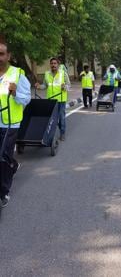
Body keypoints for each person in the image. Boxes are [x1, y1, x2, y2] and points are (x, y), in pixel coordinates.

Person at [0, 39, 31, 208]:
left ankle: (3, 193)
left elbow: (26, 99)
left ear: (8, 56)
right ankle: (13, 164)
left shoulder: (18, 74)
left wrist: (15, 93)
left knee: (2, 156)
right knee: (4, 157)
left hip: (10, 123)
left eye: (1, 54)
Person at [35, 57, 70, 141]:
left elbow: (69, 85)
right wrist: (39, 86)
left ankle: (62, 133)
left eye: (55, 63)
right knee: (51, 118)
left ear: (58, 65)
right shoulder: (47, 74)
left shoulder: (63, 73)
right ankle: (50, 133)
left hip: (61, 100)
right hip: (50, 100)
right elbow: (45, 85)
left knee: (61, 117)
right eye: (52, 63)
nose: (53, 65)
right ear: (50, 65)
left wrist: (64, 87)